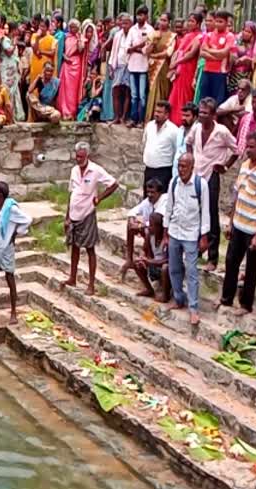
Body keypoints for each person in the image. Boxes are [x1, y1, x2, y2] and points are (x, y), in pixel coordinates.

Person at [218, 132, 256, 316]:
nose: (248, 150)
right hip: (238, 223)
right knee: (231, 262)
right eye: (247, 146)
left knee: (250, 269)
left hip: (252, 228)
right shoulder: (243, 166)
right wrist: (230, 222)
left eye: (252, 147)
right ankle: (226, 299)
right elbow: (237, 195)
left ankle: (245, 305)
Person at [185, 97, 239, 271]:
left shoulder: (221, 131)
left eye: (205, 113)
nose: (201, 116)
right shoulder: (196, 127)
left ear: (214, 115)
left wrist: (225, 166)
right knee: (195, 211)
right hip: (196, 174)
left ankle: (213, 257)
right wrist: (190, 160)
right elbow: (188, 143)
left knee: (211, 215)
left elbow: (236, 150)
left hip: (212, 176)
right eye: (200, 112)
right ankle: (196, 250)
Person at [63, 141, 119, 296]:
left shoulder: (96, 170)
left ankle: (91, 284)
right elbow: (71, 193)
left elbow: (114, 184)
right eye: (77, 156)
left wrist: (99, 198)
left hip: (87, 213)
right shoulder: (74, 170)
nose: (78, 159)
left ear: (87, 156)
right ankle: (72, 277)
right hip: (74, 212)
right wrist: (67, 216)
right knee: (74, 246)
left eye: (81, 156)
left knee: (89, 249)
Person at [162, 153, 210, 326]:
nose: (181, 169)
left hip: (191, 234)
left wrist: (204, 236)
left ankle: (194, 308)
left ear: (192, 166)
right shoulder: (174, 183)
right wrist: (166, 233)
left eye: (184, 166)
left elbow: (205, 211)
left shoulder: (200, 185)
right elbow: (169, 208)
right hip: (175, 231)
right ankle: (178, 298)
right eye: (179, 165)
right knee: (174, 268)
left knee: (191, 271)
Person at [0, 181, 31, 324]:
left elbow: (27, 220)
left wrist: (16, 233)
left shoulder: (11, 209)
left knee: (9, 277)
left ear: (0, 194)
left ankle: (14, 312)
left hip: (5, 248)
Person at [120, 178, 167, 280]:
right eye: (148, 192)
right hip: (149, 231)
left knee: (146, 231)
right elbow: (132, 211)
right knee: (130, 225)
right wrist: (132, 221)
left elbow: (158, 219)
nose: (149, 195)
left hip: (161, 232)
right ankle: (129, 259)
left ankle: (149, 262)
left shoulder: (165, 200)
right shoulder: (147, 201)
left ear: (159, 193)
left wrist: (141, 225)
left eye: (152, 192)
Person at [168, 12, 203, 126]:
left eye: (192, 21)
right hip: (181, 68)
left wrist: (176, 62)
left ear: (198, 24)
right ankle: (173, 121)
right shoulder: (187, 35)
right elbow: (179, 51)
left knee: (185, 95)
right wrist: (174, 64)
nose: (189, 23)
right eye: (188, 20)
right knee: (175, 94)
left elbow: (191, 54)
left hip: (189, 68)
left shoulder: (199, 36)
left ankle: (182, 121)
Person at [198, 10, 236, 107]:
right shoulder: (209, 35)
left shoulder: (229, 36)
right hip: (207, 71)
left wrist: (209, 50)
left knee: (217, 102)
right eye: (216, 21)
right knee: (204, 100)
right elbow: (202, 52)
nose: (218, 24)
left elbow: (224, 53)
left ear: (227, 23)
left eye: (221, 22)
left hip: (219, 73)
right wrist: (217, 56)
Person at [124, 5, 153, 128]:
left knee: (142, 95)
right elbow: (127, 48)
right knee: (133, 95)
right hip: (132, 66)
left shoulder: (150, 30)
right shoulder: (132, 29)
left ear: (146, 16)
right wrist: (139, 46)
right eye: (138, 15)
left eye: (142, 15)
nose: (139, 17)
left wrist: (134, 48)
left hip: (143, 67)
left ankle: (141, 120)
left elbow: (147, 50)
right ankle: (133, 119)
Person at [144, 11, 175, 123]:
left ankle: (162, 118)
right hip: (153, 67)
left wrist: (154, 55)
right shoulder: (153, 34)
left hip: (164, 66)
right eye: (160, 19)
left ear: (169, 22)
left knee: (163, 91)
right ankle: (150, 118)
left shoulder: (172, 36)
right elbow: (146, 51)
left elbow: (168, 53)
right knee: (153, 91)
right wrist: (153, 42)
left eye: (164, 20)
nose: (161, 22)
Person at [142, 100, 178, 193]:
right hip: (149, 170)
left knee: (161, 199)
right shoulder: (149, 126)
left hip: (163, 171)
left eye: (159, 112)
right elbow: (145, 142)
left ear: (167, 114)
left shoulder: (173, 130)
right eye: (156, 111)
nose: (156, 114)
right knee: (147, 199)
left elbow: (176, 150)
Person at [135, 212, 170, 302]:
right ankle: (149, 289)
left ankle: (166, 295)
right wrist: (142, 257)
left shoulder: (167, 239)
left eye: (151, 225)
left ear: (159, 227)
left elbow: (167, 260)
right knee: (137, 263)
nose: (149, 227)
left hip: (164, 268)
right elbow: (144, 249)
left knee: (165, 268)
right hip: (153, 264)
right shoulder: (149, 236)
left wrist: (149, 261)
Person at [108, 13, 131, 125]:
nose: (124, 25)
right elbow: (114, 51)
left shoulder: (133, 34)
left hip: (130, 66)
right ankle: (116, 117)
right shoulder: (118, 35)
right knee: (115, 91)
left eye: (126, 23)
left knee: (127, 92)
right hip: (118, 65)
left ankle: (124, 117)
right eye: (122, 23)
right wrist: (111, 66)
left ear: (131, 24)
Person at [173, 102, 198, 178]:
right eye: (183, 115)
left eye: (187, 116)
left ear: (195, 117)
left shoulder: (198, 132)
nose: (183, 118)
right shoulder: (180, 130)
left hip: (190, 173)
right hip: (176, 171)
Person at [29, 18, 56, 84]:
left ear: (47, 28)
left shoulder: (52, 39)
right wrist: (37, 38)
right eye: (40, 26)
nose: (41, 28)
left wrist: (42, 52)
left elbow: (52, 53)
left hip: (46, 68)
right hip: (35, 65)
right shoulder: (34, 36)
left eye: (43, 26)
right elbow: (35, 51)